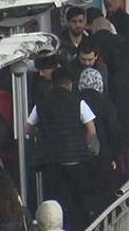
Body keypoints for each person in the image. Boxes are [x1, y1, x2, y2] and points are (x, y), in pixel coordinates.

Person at [26, 68, 97, 231]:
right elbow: (91, 130)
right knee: (77, 202)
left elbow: (28, 128)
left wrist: (42, 131)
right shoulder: (78, 101)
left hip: (51, 161)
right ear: (70, 84)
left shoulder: (42, 102)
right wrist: (86, 148)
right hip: (76, 161)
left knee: (55, 201)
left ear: (53, 83)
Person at [78, 68, 122, 211]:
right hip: (103, 156)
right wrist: (115, 155)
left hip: (79, 157)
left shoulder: (76, 102)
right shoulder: (106, 103)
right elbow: (114, 130)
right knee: (104, 198)